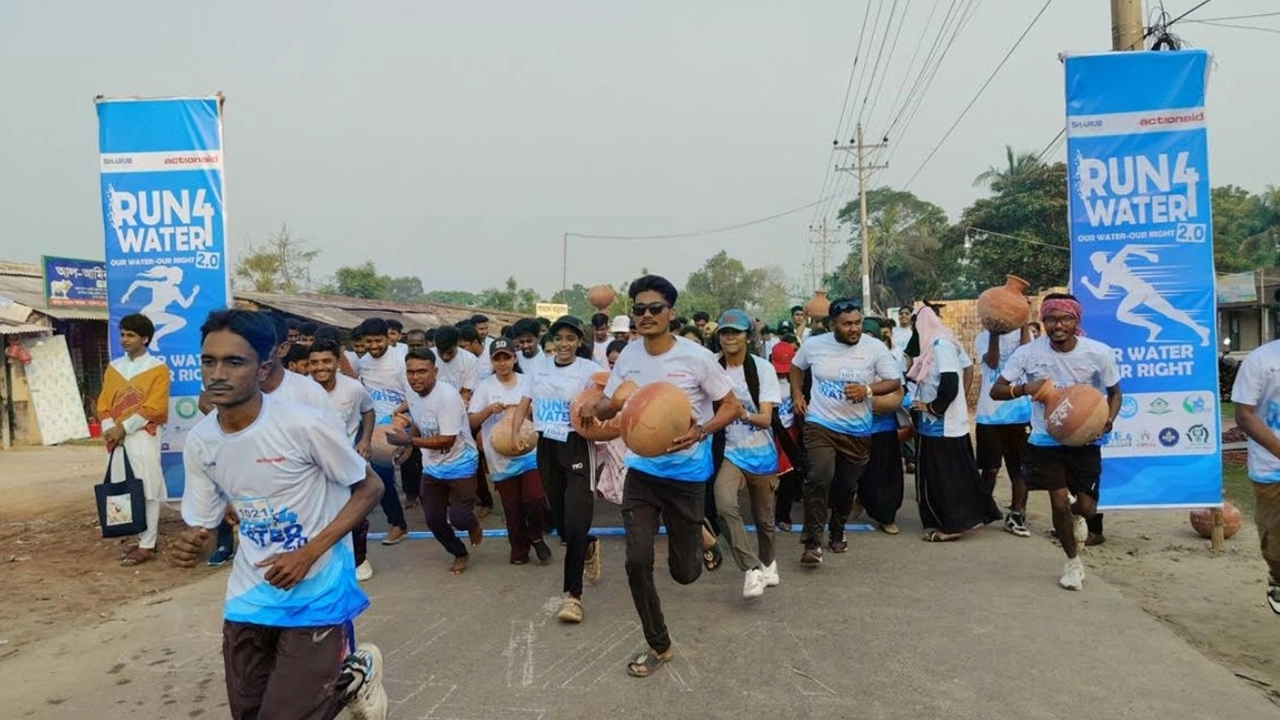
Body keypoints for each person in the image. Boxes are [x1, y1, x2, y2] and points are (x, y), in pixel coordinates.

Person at [173, 309, 388, 720]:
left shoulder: (303, 424)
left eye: (234, 362)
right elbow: (205, 527)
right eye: (209, 361)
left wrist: (308, 553)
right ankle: (350, 680)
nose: (217, 374)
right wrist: (195, 547)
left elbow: (370, 487)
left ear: (263, 368)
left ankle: (349, 676)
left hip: (318, 588)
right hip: (249, 596)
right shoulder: (201, 441)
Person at [588, 275, 740, 678]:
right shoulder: (628, 356)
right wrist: (604, 405)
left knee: (684, 574)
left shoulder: (696, 357)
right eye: (639, 309)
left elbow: (731, 406)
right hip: (641, 472)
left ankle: (703, 537)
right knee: (637, 561)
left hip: (686, 476)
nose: (646, 315)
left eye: (655, 308)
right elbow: (605, 407)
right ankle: (659, 644)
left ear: (671, 312)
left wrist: (702, 430)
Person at [992, 294, 1121, 590]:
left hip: (1084, 440)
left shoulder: (1098, 353)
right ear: (1043, 321)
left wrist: (1107, 421)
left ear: (1076, 320)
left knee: (1086, 507)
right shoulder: (1028, 353)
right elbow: (996, 390)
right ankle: (1073, 564)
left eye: (1065, 319)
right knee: (1059, 503)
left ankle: (1078, 516)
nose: (1058, 325)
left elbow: (1115, 393)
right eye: (1051, 319)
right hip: (1044, 440)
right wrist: (1025, 388)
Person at [790, 299, 900, 564]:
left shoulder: (874, 348)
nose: (854, 328)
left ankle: (837, 530)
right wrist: (797, 394)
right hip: (820, 423)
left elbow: (894, 381)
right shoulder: (815, 345)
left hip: (856, 430)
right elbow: (796, 366)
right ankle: (812, 542)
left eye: (857, 322)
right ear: (832, 325)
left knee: (846, 485)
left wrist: (867, 390)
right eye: (847, 324)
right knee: (818, 477)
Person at [513, 316, 605, 623]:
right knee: (563, 524)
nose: (565, 344)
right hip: (547, 447)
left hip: (577, 445)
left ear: (579, 342)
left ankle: (573, 597)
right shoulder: (537, 369)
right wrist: (515, 431)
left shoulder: (589, 370)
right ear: (551, 340)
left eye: (571, 338)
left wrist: (595, 405)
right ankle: (587, 545)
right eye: (560, 338)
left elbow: (609, 397)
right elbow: (524, 403)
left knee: (576, 522)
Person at [387, 348, 484, 575]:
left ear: (435, 372)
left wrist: (409, 441)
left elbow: (447, 440)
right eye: (410, 372)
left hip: (461, 464)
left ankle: (472, 524)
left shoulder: (447, 397)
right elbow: (419, 423)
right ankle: (459, 552)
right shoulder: (412, 394)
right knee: (434, 519)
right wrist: (406, 448)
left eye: (422, 371)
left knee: (460, 518)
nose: (415, 377)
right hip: (432, 468)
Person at [908, 307, 1002, 542]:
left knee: (944, 477)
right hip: (943, 423)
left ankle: (952, 525)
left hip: (941, 425)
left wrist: (932, 407)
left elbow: (949, 381)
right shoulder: (938, 343)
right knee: (957, 474)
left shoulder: (940, 345)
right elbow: (963, 370)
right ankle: (969, 516)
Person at [712, 309, 782, 598]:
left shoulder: (762, 369)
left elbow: (766, 418)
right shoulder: (712, 367)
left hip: (762, 453)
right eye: (725, 332)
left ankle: (769, 564)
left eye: (736, 332)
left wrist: (740, 413)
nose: (730, 337)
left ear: (747, 336)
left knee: (764, 520)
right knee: (724, 505)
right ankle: (751, 568)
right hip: (729, 452)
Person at [98, 313, 170, 567]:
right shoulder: (114, 368)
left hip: (142, 436)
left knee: (147, 487)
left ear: (145, 339)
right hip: (116, 438)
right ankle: (138, 534)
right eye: (122, 334)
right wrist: (110, 428)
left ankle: (148, 544)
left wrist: (124, 428)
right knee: (124, 485)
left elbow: (155, 407)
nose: (124, 339)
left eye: (130, 335)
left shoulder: (157, 369)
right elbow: (104, 402)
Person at [470, 338, 549, 565]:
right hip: (500, 458)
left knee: (535, 499)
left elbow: (545, 412)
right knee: (512, 509)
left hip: (529, 452)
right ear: (492, 361)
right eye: (498, 359)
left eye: (507, 357)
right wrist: (489, 410)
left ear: (515, 358)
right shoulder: (485, 387)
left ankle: (536, 536)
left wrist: (532, 412)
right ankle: (519, 549)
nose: (502, 363)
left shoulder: (527, 382)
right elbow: (472, 420)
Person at [310, 340, 378, 582]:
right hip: (313, 467)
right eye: (314, 362)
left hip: (347, 460)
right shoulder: (300, 391)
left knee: (355, 512)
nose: (320, 367)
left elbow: (368, 410)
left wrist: (365, 440)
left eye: (326, 361)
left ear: (337, 363)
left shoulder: (353, 388)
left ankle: (359, 560)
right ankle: (322, 562)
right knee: (318, 516)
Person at [1230, 338, 1280, 613]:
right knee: (1275, 546)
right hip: (1272, 469)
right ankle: (1277, 575)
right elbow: (1244, 415)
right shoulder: (1261, 360)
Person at [353, 318, 412, 545]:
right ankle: (396, 523)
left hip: (399, 419)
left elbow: (412, 396)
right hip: (371, 424)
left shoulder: (401, 360)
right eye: (369, 342)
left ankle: (400, 523)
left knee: (388, 472)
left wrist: (397, 416)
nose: (374, 346)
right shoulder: (363, 363)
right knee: (376, 474)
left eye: (378, 341)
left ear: (388, 338)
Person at [974, 319, 1034, 538]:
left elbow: (1026, 356)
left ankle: (1017, 513)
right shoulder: (982, 338)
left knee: (1019, 469)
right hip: (989, 414)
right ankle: (982, 510)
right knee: (989, 469)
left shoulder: (1025, 336)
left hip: (1019, 414)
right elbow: (992, 362)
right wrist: (994, 333)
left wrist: (1024, 323)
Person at [857, 317, 906, 535]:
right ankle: (861, 499)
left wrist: (883, 403)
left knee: (886, 475)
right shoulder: (849, 360)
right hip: (855, 427)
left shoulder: (888, 361)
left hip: (883, 428)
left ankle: (887, 516)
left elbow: (899, 392)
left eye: (871, 336)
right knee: (861, 473)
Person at [770, 342, 804, 532]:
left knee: (789, 476)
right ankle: (765, 514)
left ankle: (783, 515)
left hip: (792, 433)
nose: (782, 374)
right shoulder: (764, 380)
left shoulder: (800, 381)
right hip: (770, 433)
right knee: (767, 476)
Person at [432, 325, 479, 404]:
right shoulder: (427, 358)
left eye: (450, 352)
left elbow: (465, 391)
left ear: (457, 343)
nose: (445, 357)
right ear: (435, 344)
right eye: (441, 352)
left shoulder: (470, 359)